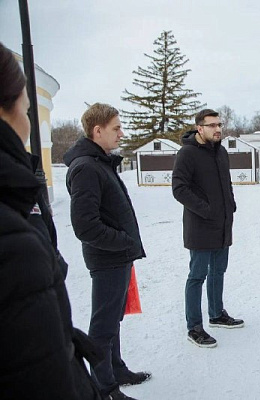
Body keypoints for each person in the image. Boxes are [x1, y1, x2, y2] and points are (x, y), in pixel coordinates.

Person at [0, 42, 101, 399]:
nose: (28, 124)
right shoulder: (13, 239)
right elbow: (42, 372)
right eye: (27, 110)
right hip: (109, 258)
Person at [64, 103, 150, 400]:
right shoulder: (86, 167)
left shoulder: (99, 162)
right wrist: (124, 242)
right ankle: (105, 388)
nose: (121, 133)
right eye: (116, 128)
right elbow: (85, 226)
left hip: (117, 256)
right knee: (103, 325)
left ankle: (117, 369)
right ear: (96, 130)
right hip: (108, 258)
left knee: (113, 320)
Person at [172, 109, 244, 348]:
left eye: (219, 124)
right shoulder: (187, 153)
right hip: (200, 226)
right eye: (212, 125)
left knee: (218, 272)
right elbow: (179, 189)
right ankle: (194, 326)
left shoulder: (221, 152)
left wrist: (230, 205)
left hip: (223, 224)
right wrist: (206, 209)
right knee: (197, 276)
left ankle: (216, 314)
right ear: (199, 128)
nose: (217, 129)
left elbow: (226, 183)